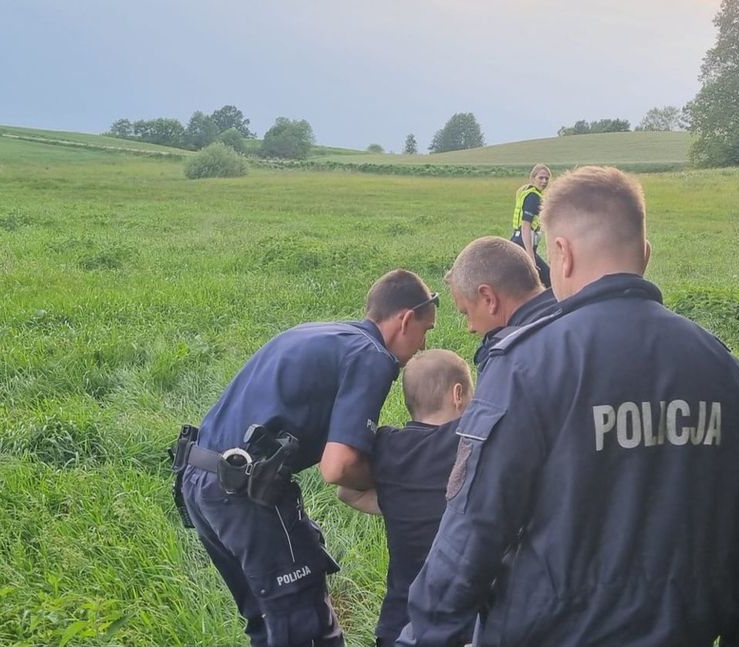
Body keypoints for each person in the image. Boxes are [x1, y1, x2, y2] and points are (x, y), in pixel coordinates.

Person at [399, 166, 739, 647]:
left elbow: (473, 530)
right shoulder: (723, 368)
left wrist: (425, 635)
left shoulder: (525, 366)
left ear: (560, 254)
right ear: (645, 253)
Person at [177, 269, 438, 647]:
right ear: (405, 319)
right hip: (247, 495)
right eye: (425, 332)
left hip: (200, 480)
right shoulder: (372, 356)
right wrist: (399, 492)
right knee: (306, 629)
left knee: (267, 624)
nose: (423, 346)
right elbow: (338, 467)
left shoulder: (318, 332)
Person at [336, 349, 475, 647]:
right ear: (458, 394)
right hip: (462, 622)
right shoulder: (468, 442)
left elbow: (346, 491)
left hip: (400, 621)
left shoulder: (388, 446)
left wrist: (404, 503)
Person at [444, 236, 558, 373]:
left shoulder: (509, 366)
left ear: (488, 298)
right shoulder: (581, 320)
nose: (470, 328)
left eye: (467, 313)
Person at [510, 163, 552, 288]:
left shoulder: (530, 193)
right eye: (541, 178)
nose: (544, 181)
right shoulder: (533, 197)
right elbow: (525, 226)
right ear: (533, 178)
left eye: (547, 178)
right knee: (549, 280)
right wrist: (531, 257)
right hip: (523, 245)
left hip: (518, 242)